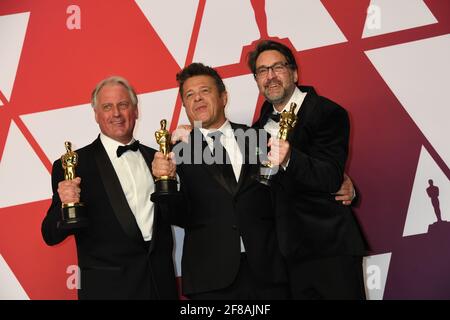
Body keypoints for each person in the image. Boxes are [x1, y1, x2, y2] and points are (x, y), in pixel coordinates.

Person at [152, 63, 289, 299]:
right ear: (184, 106)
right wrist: (166, 182)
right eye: (189, 95)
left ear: (223, 97)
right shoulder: (174, 153)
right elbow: (177, 216)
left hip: (268, 275)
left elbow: (284, 194)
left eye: (204, 91)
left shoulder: (258, 138)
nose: (197, 99)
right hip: (210, 280)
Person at [248, 40, 367, 299]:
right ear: (256, 81)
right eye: (262, 71)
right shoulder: (256, 131)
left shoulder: (328, 112)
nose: (270, 76)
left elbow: (330, 176)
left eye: (277, 67)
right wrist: (194, 137)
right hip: (287, 259)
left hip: (330, 249)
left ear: (294, 73)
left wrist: (290, 158)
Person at [41, 76, 177, 300]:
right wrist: (65, 205)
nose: (116, 113)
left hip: (160, 287)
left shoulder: (157, 158)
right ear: (96, 115)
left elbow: (175, 215)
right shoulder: (74, 165)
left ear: (135, 111)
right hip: (108, 291)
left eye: (123, 105)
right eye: (107, 107)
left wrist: (173, 185)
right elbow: (50, 234)